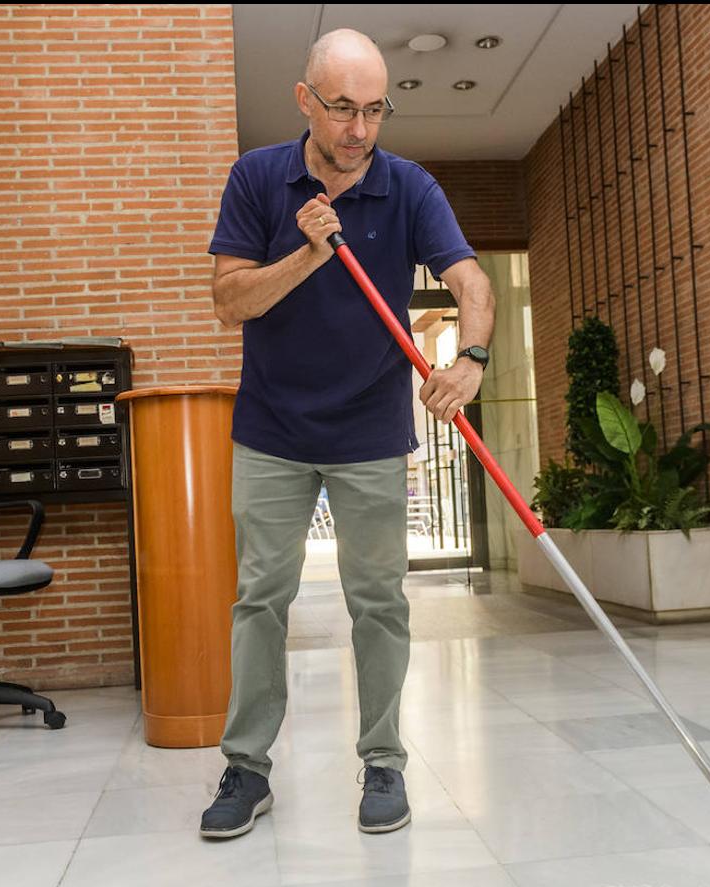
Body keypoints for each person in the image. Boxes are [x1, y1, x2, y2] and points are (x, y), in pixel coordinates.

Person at [199, 28, 494, 839]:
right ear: (305, 101)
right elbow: (230, 302)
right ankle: (247, 768)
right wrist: (307, 252)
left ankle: (385, 763)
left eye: (373, 110)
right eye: (341, 109)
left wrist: (470, 358)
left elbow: (469, 279)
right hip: (271, 427)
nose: (358, 129)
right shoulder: (258, 178)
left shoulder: (408, 187)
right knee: (261, 598)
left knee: (378, 602)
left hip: (369, 427)